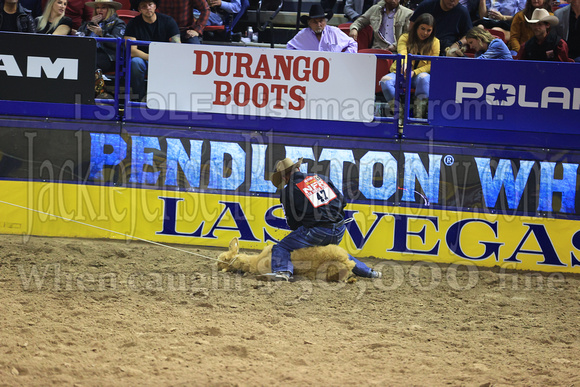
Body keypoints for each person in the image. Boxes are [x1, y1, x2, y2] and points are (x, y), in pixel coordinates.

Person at [263, 157, 382, 282]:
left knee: (282, 247)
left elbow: (293, 223)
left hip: (317, 232)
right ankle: (369, 272)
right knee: (332, 252)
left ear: (284, 177)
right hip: (339, 229)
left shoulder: (288, 191)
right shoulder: (320, 178)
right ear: (298, 168)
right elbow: (342, 202)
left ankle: (283, 271)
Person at [379, 13, 439, 118]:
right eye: (422, 28)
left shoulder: (435, 42)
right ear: (416, 27)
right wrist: (405, 65)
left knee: (424, 78)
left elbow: (431, 64)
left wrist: (414, 72)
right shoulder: (404, 37)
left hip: (419, 76)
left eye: (428, 30)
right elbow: (402, 52)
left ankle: (418, 116)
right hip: (401, 72)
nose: (425, 33)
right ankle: (400, 115)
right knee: (385, 81)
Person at [124, 0, 180, 101]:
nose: (148, 8)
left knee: (172, 63)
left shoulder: (168, 21)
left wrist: (161, 59)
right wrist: (151, 58)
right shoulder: (133, 23)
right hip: (142, 58)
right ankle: (139, 98)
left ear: (155, 6)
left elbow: (177, 46)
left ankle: (164, 99)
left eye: (150, 5)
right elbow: (132, 50)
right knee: (135, 63)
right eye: (144, 6)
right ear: (139, 9)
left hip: (164, 58)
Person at [287, 4, 358, 53]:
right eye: (315, 22)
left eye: (321, 21)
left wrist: (344, 57)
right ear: (309, 23)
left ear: (325, 21)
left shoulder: (334, 32)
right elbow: (290, 47)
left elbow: (352, 43)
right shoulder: (303, 34)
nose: (318, 25)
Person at [78, 0, 125, 72]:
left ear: (110, 10)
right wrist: (90, 25)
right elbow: (80, 36)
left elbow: (117, 43)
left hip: (109, 57)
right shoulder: (90, 22)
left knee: (89, 60)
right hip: (89, 52)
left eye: (103, 8)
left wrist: (102, 33)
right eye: (97, 7)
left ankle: (96, 81)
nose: (99, 10)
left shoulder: (118, 23)